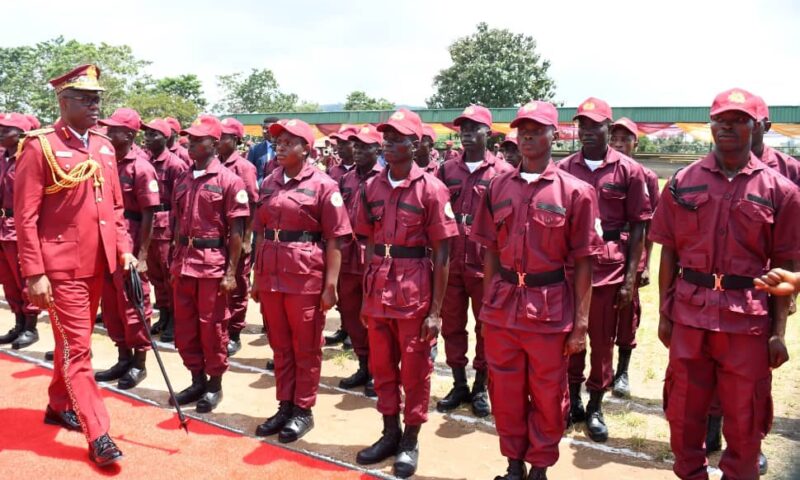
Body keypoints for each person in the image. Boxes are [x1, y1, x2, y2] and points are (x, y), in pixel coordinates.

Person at [650, 88, 800, 480]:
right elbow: (668, 252)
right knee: (684, 411)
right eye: (720, 120)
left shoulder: (780, 190)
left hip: (746, 320)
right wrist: (664, 314)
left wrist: (778, 332)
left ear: (755, 127)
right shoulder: (683, 181)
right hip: (690, 312)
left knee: (745, 418)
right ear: (710, 126)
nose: (728, 127)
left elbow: (785, 265)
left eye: (738, 120)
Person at [472, 101, 602, 480]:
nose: (527, 134)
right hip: (503, 307)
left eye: (537, 128)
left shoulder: (576, 192)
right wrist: (486, 308)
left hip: (549, 308)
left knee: (548, 394)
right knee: (506, 389)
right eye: (522, 128)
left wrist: (580, 325)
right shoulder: (497, 186)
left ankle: (540, 467)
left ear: (555, 135)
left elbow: (583, 264)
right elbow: (491, 252)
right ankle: (513, 464)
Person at [15, 64, 135, 466]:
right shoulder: (40, 146)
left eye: (97, 98)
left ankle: (56, 404)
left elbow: (115, 208)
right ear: (63, 102)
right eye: (85, 99)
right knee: (80, 350)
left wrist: (124, 248)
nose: (95, 105)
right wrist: (34, 273)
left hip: (98, 264)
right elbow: (26, 217)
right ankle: (98, 433)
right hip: (61, 268)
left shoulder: (103, 145)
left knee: (70, 344)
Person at [354, 109, 457, 478]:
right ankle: (389, 433)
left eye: (398, 139)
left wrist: (435, 311)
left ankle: (410, 440)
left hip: (414, 289)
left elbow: (443, 253)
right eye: (388, 138)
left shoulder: (432, 188)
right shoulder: (371, 187)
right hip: (379, 289)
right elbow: (365, 240)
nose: (390, 144)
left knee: (415, 371)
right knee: (382, 368)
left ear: (414, 145)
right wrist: (367, 293)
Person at [703, 94, 800, 475]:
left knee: (755, 372)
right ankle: (712, 429)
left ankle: (748, 440)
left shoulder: (787, 171)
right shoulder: (712, 168)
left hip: (766, 286)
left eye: (746, 120)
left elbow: (791, 239)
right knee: (710, 365)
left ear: (763, 126)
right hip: (716, 289)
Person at [251, 119, 351, 442]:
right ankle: (285, 405)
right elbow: (260, 232)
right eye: (277, 141)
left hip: (305, 278)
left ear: (305, 148)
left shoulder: (324, 186)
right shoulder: (268, 182)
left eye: (288, 142)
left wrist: (331, 286)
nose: (279, 146)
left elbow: (336, 239)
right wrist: (255, 275)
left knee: (305, 347)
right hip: (272, 276)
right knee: (280, 346)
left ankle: (303, 410)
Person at [558, 97, 652, 443]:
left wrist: (631, 278)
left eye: (594, 125)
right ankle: (572, 402)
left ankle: (595, 405)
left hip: (609, 266)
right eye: (581, 125)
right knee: (570, 336)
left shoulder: (629, 170)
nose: (586, 131)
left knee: (601, 341)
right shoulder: (565, 168)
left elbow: (640, 226)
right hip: (570, 268)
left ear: (608, 129)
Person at [436, 105, 513, 418]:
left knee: (486, 328)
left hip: (486, 265)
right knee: (452, 326)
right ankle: (458, 383)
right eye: (463, 129)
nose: (467, 134)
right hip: (452, 260)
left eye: (473, 128)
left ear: (489, 133)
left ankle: (481, 386)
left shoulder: (503, 172)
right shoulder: (446, 170)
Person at [169, 115, 249, 413]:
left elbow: (237, 231)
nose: (190, 143)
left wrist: (231, 273)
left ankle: (214, 385)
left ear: (214, 144)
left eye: (198, 139)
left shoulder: (230, 180)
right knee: (186, 327)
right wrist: (174, 260)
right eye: (189, 138)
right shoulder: (184, 178)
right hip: (185, 264)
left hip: (213, 265)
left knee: (212, 327)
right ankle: (196, 379)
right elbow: (177, 223)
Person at [94, 108, 160, 389]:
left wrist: (143, 256)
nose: (107, 133)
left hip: (131, 241)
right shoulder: (104, 162)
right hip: (107, 240)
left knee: (135, 304)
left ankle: (139, 363)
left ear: (129, 135)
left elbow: (149, 214)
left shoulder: (141, 167)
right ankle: (122, 357)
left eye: (113, 130)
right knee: (111, 306)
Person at [607, 117, 660, 399]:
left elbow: (650, 226)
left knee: (627, 313)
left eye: (625, 139)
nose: (618, 143)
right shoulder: (603, 170)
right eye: (614, 138)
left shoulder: (647, 176)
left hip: (632, 248)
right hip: (603, 248)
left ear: (635, 143)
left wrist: (645, 264)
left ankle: (622, 371)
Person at [335, 124, 384, 396]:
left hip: (373, 257)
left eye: (365, 146)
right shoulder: (347, 179)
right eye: (356, 145)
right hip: (347, 256)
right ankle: (364, 364)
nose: (358, 150)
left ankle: (379, 370)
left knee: (374, 318)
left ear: (378, 149)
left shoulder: (383, 178)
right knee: (351, 315)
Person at [142, 119, 188, 342]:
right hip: (150, 225)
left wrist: (177, 235)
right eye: (147, 134)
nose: (147, 138)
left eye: (153, 134)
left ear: (165, 137)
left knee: (170, 276)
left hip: (167, 224)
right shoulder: (145, 160)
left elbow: (181, 202)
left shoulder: (175, 164)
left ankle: (175, 321)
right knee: (156, 276)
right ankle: (165, 315)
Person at [0, 113, 41, 349]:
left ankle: (30, 327)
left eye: (7, 130)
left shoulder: (27, 158)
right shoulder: (3, 158)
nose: (1, 133)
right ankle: (18, 323)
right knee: (8, 281)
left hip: (19, 228)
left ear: (20, 135)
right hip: (2, 227)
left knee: (24, 279)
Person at [218, 118, 258, 356]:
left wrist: (246, 238)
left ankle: (234, 332)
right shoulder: (216, 164)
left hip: (238, 234)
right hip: (222, 236)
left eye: (224, 137)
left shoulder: (243, 168)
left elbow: (253, 204)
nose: (218, 141)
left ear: (236, 140)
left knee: (238, 285)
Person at [247, 116, 279, 184]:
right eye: (263, 128)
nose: (264, 131)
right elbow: (249, 172)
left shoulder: (283, 148)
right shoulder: (255, 149)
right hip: (260, 189)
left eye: (267, 129)